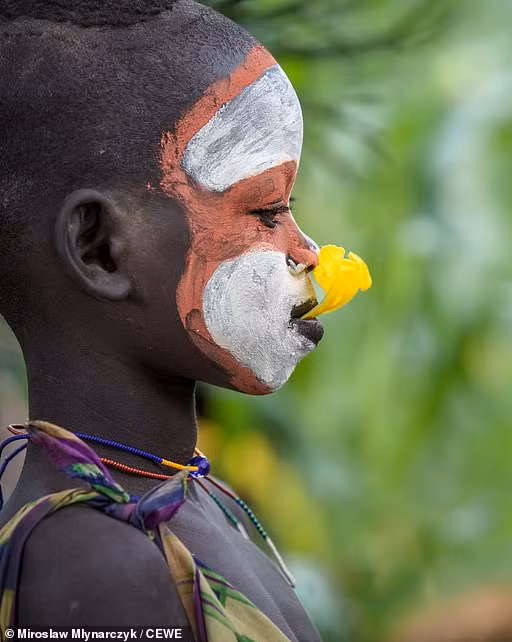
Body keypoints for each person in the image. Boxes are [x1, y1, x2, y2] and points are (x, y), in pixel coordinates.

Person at [0, 0, 328, 637]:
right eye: (266, 211)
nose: (306, 252)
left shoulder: (196, 502)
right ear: (101, 249)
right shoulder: (94, 567)